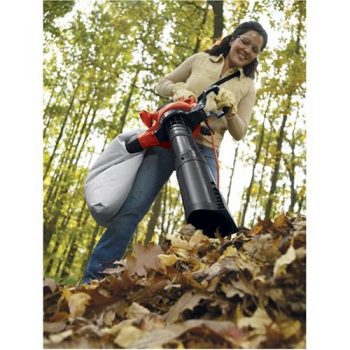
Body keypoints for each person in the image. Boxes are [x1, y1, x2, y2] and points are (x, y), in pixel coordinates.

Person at [82, 21, 268, 283]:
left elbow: (239, 133)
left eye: (255, 49)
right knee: (131, 209)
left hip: (204, 148)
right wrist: (177, 89)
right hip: (168, 138)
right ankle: (92, 281)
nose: (247, 49)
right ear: (233, 39)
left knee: (209, 217)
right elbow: (163, 83)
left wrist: (231, 112)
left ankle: (198, 281)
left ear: (257, 56)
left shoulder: (247, 86)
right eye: (245, 41)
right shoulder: (201, 60)